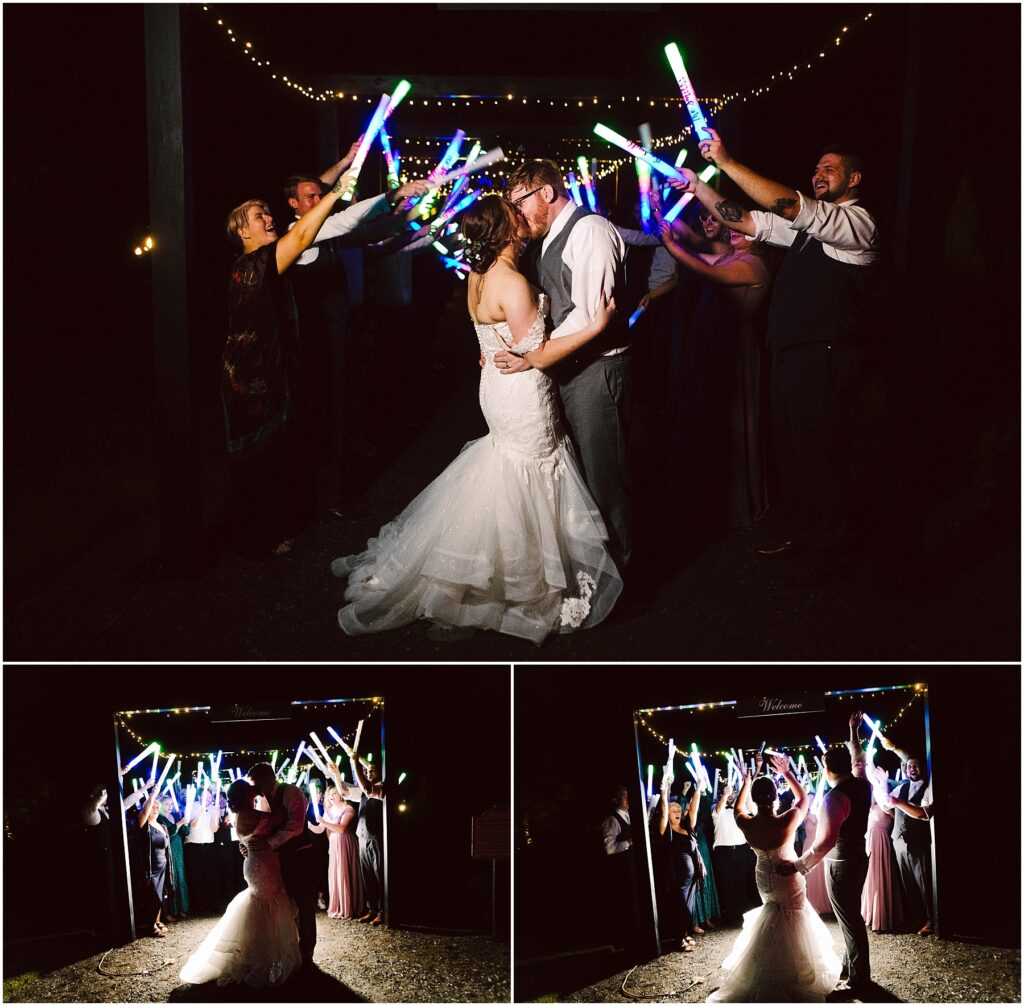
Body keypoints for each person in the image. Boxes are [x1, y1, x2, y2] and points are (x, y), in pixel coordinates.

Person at [332, 193, 623, 643]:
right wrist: (596, 326)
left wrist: (497, 354)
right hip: (523, 392)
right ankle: (518, 582)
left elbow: (491, 338)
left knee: (506, 468)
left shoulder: (477, 274)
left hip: (496, 386)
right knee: (527, 468)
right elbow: (539, 356)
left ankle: (500, 567)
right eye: (514, 214)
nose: (522, 217)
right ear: (506, 229)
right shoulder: (514, 285)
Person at [680, 131, 879, 582]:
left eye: (829, 168)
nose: (818, 174)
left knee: (821, 453)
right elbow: (747, 221)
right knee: (794, 452)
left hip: (825, 357)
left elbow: (790, 205)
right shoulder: (810, 232)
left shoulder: (857, 223)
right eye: (816, 168)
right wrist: (698, 187)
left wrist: (727, 162)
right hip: (791, 355)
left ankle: (832, 555)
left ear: (855, 179)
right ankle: (807, 535)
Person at [220, 163, 363, 559]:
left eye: (267, 211)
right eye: (257, 216)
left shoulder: (267, 259)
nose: (268, 218)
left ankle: (270, 527)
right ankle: (255, 540)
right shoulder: (254, 264)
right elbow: (302, 232)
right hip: (250, 378)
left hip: (273, 370)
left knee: (276, 455)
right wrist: (335, 194)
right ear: (242, 232)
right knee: (257, 459)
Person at [498, 160, 632, 571]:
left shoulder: (590, 230)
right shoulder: (547, 237)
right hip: (567, 367)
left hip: (597, 370)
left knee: (604, 477)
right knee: (579, 477)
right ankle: (594, 569)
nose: (515, 213)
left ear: (548, 193)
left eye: (519, 202)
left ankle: (622, 574)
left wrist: (532, 354)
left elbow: (590, 316)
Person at [285, 147, 430, 520]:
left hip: (338, 334)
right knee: (324, 414)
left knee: (341, 408)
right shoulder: (298, 236)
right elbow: (346, 222)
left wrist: (410, 215)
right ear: (294, 205)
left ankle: (333, 486)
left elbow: (368, 232)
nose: (319, 201)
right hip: (315, 343)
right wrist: (396, 194)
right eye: (311, 197)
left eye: (320, 194)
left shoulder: (324, 232)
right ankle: (326, 497)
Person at [659, 195, 772, 529]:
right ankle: (708, 498)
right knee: (711, 421)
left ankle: (735, 507)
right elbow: (697, 247)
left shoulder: (752, 265)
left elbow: (700, 269)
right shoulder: (730, 255)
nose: (736, 231)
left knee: (734, 427)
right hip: (715, 345)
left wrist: (670, 243)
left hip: (733, 353)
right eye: (735, 226)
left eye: (744, 228)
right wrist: (665, 216)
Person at [708, 755, 840, 1002]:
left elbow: (738, 808)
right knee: (794, 918)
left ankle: (765, 970)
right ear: (776, 796)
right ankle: (794, 973)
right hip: (787, 876)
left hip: (764, 878)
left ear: (755, 800)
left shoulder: (746, 823)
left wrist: (748, 779)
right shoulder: (787, 820)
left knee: (772, 914)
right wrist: (787, 773)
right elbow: (802, 799)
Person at [179, 779, 301, 988]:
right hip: (261, 865)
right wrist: (265, 793)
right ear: (245, 795)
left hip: (259, 862)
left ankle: (263, 954)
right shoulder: (247, 814)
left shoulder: (241, 814)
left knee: (262, 903)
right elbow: (279, 817)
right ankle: (262, 956)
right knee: (265, 904)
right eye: (250, 792)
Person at [778, 739, 872, 999]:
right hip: (859, 858)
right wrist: (853, 732)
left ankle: (859, 978)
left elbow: (825, 842)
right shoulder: (863, 786)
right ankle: (852, 966)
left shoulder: (834, 797)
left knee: (850, 919)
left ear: (826, 767)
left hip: (840, 863)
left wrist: (799, 865)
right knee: (850, 916)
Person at [246, 762, 317, 967]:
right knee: (286, 906)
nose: (254, 790)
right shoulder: (262, 800)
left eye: (256, 784)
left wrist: (268, 844)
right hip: (277, 861)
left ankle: (307, 954)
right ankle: (291, 950)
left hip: (300, 857)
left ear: (266, 778)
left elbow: (295, 826)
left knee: (305, 906)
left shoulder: (291, 792)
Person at [877, 730, 934, 935]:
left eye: (916, 765)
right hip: (898, 841)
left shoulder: (928, 787)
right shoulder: (901, 787)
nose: (912, 768)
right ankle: (917, 918)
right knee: (908, 883)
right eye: (909, 765)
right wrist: (883, 789)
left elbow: (923, 814)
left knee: (924, 883)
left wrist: (898, 803)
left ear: (923, 768)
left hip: (918, 842)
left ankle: (932, 920)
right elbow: (885, 804)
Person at [657, 772, 702, 951]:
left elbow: (694, 809)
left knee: (689, 907)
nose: (676, 812)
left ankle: (684, 934)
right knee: (680, 907)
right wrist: (663, 794)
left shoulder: (686, 827)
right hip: (677, 879)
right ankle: (678, 940)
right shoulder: (666, 830)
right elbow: (663, 813)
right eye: (673, 811)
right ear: (667, 814)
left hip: (691, 877)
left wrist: (698, 789)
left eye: (678, 810)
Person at [307, 785, 362, 919]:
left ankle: (349, 907)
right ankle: (339, 906)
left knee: (345, 873)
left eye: (335, 793)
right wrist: (307, 823)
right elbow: (319, 829)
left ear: (341, 794)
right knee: (336, 874)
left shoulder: (348, 808)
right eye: (330, 794)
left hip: (345, 842)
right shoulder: (328, 810)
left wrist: (324, 822)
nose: (332, 796)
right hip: (334, 844)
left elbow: (342, 828)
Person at [711, 783, 755, 926]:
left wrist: (746, 786)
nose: (731, 794)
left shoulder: (741, 810)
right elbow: (718, 809)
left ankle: (741, 914)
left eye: (733, 792)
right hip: (723, 851)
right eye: (727, 792)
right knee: (727, 883)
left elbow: (751, 806)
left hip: (742, 849)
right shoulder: (716, 809)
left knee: (741, 882)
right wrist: (725, 794)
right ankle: (729, 915)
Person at [137, 789, 170, 938]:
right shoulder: (144, 825)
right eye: (153, 807)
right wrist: (152, 796)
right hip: (151, 868)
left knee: (161, 895)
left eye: (158, 807)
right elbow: (144, 813)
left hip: (163, 866)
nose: (155, 809)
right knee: (153, 896)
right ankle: (150, 925)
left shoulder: (162, 826)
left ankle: (156, 921)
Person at [158, 795, 189, 922]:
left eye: (171, 804)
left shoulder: (175, 815)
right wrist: (180, 823)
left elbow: (186, 832)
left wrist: (183, 821)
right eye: (167, 804)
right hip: (168, 851)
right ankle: (170, 911)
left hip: (178, 851)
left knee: (180, 878)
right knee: (170, 879)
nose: (170, 806)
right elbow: (168, 833)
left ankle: (182, 907)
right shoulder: (160, 818)